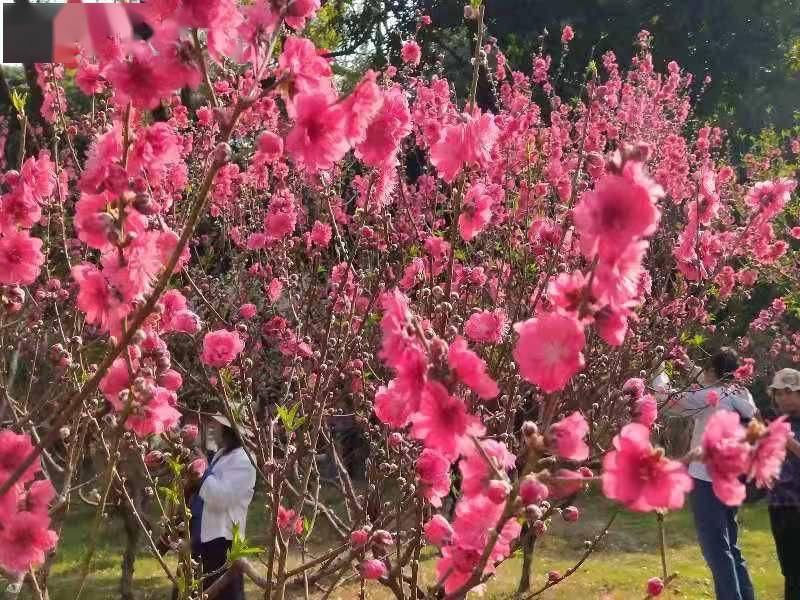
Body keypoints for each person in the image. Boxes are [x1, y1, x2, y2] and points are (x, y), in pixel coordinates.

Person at [665, 347, 757, 600]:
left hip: (707, 479)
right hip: (733, 477)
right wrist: (687, 365)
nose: (702, 374)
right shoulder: (741, 394)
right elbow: (710, 386)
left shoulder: (712, 396)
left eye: (706, 370)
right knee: (731, 545)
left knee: (716, 548)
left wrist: (657, 370)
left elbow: (672, 399)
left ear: (714, 372)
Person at [188, 414, 257, 600]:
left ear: (229, 430)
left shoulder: (244, 459)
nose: (212, 427)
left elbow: (221, 497)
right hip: (205, 538)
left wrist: (202, 471)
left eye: (217, 424)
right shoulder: (224, 453)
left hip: (223, 541)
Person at [766, 368, 800, 600]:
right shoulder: (777, 421)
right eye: (778, 393)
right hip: (779, 502)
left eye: (788, 392)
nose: (782, 398)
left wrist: (787, 441)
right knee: (789, 569)